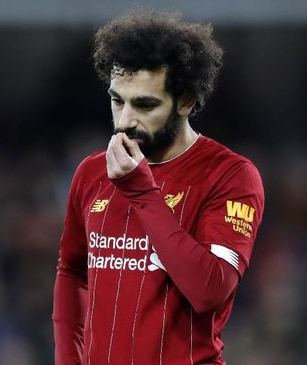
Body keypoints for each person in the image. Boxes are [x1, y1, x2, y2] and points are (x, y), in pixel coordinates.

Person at [52, 10, 264, 365]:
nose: (125, 121)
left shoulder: (231, 176)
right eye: (118, 100)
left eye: (145, 104)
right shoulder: (91, 173)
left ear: (186, 101)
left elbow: (210, 290)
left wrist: (141, 192)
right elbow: (73, 271)